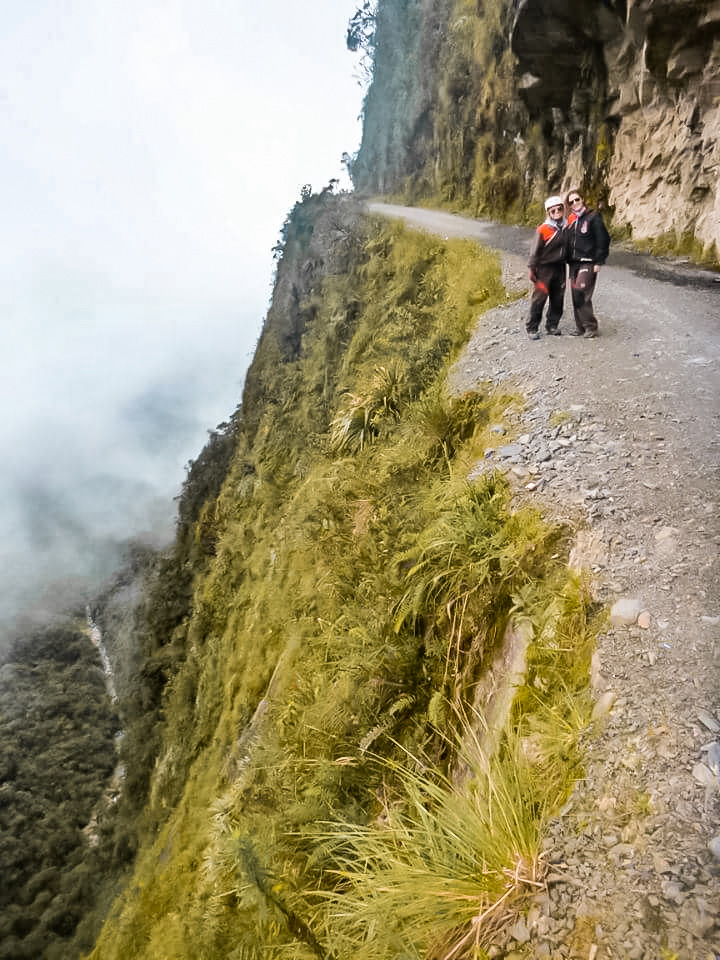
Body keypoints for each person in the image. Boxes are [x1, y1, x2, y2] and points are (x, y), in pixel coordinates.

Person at [565, 189, 611, 338]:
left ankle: (591, 327)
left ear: (582, 200)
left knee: (581, 290)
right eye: (571, 202)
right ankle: (580, 328)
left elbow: (603, 240)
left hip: (588, 262)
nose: (575, 203)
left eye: (577, 200)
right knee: (574, 295)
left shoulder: (593, 217)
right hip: (574, 263)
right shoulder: (571, 220)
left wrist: (599, 261)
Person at [526, 195, 567, 340]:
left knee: (558, 298)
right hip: (544, 269)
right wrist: (532, 268)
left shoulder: (566, 227)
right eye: (553, 210)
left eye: (559, 209)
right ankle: (532, 327)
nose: (557, 212)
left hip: (560, 268)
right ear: (548, 213)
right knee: (539, 299)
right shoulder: (543, 229)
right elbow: (534, 251)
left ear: (563, 209)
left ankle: (552, 325)